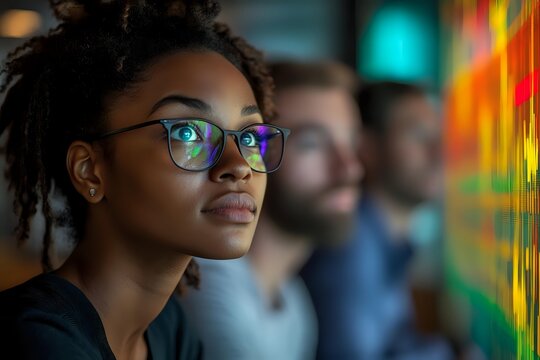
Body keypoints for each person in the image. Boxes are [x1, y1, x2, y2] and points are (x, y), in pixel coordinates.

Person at [0, 1, 290, 359]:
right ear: (90, 170)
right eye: (187, 134)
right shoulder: (34, 339)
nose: (239, 165)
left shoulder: (167, 329)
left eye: (248, 137)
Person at [180, 61, 363, 360]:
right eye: (312, 143)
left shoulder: (293, 303)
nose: (350, 168)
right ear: (253, 150)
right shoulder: (206, 282)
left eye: (351, 142)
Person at [301, 81, 452, 360]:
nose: (438, 151)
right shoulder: (348, 248)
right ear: (368, 148)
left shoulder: (383, 239)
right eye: (418, 134)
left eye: (438, 135)